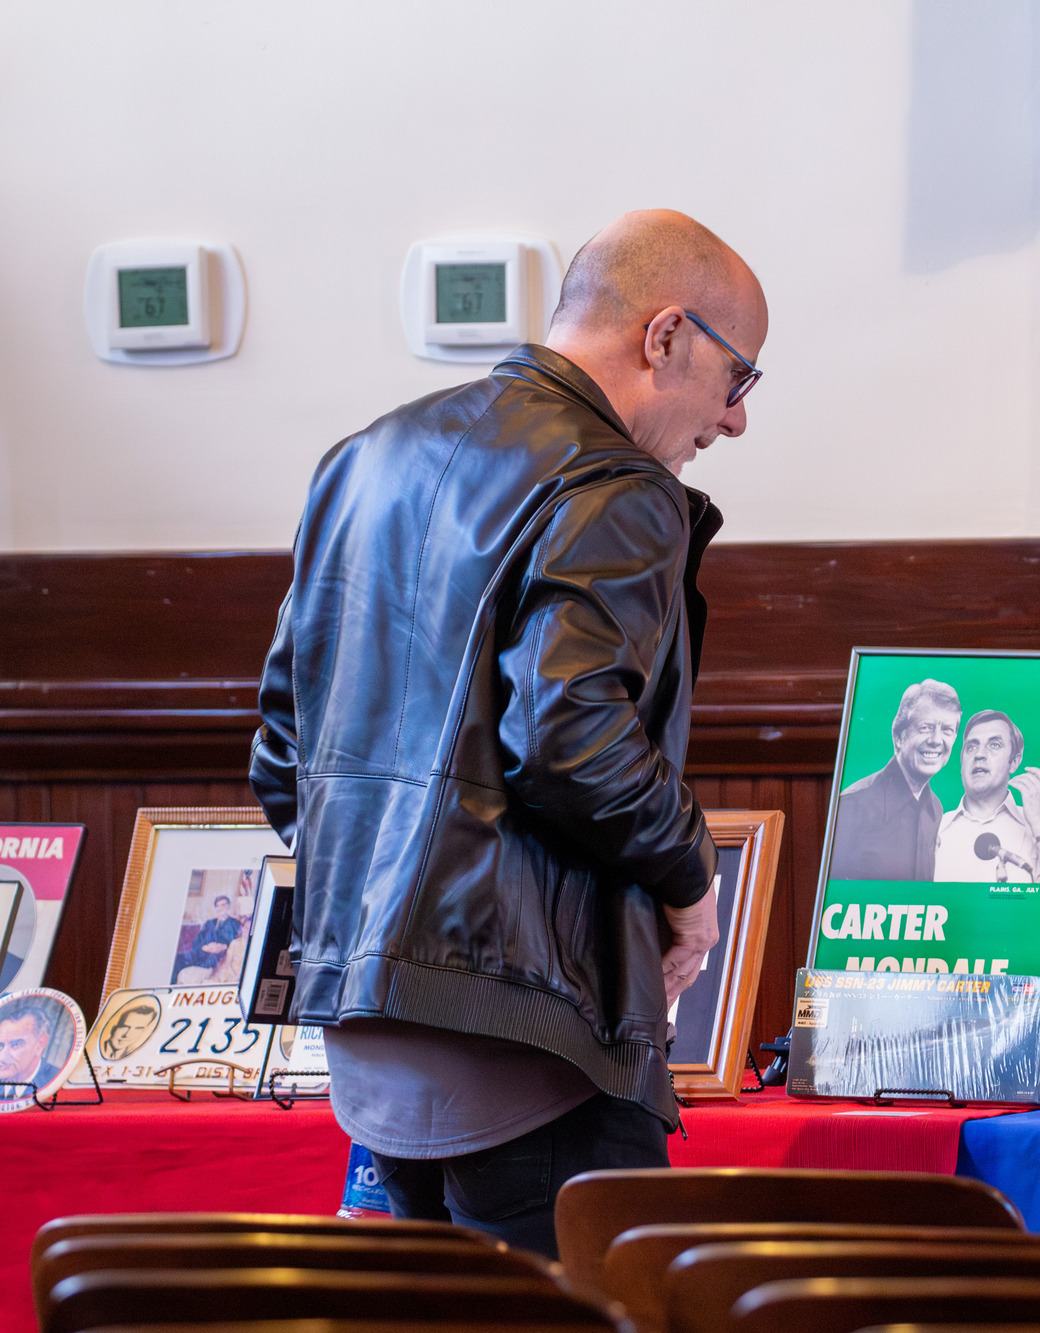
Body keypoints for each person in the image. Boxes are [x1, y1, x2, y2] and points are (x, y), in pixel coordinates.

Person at [250, 209, 765, 1255]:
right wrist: (693, 887)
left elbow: (279, 751)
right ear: (665, 336)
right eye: (739, 378)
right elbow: (573, 740)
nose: (735, 420)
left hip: (370, 1028)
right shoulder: (616, 484)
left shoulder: (363, 459)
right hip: (537, 1037)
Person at [825, 680, 961, 881]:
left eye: (947, 730)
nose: (936, 740)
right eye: (925, 727)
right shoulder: (851, 805)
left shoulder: (935, 809)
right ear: (899, 736)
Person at [933, 709, 1040, 882]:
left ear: (1014, 762)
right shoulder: (934, 831)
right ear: (962, 763)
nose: (979, 754)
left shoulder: (1036, 830)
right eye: (971, 747)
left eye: (994, 745)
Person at [174, 894, 243, 984]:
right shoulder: (209, 923)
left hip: (218, 955)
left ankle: (205, 971)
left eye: (223, 905)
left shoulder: (235, 923)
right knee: (178, 959)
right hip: (201, 952)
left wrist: (218, 947)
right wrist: (205, 947)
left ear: (228, 906)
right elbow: (198, 940)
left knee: (211, 959)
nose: (220, 908)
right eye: (217, 906)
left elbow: (233, 942)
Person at [0, 1005, 60, 1091]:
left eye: (15, 1045)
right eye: (0, 1046)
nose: (1, 1057)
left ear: (39, 1045)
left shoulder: (57, 1078)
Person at [99, 996, 159, 1061]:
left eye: (138, 1028)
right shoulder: (96, 1050)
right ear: (113, 1028)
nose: (127, 1035)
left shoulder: (138, 1059)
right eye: (125, 1026)